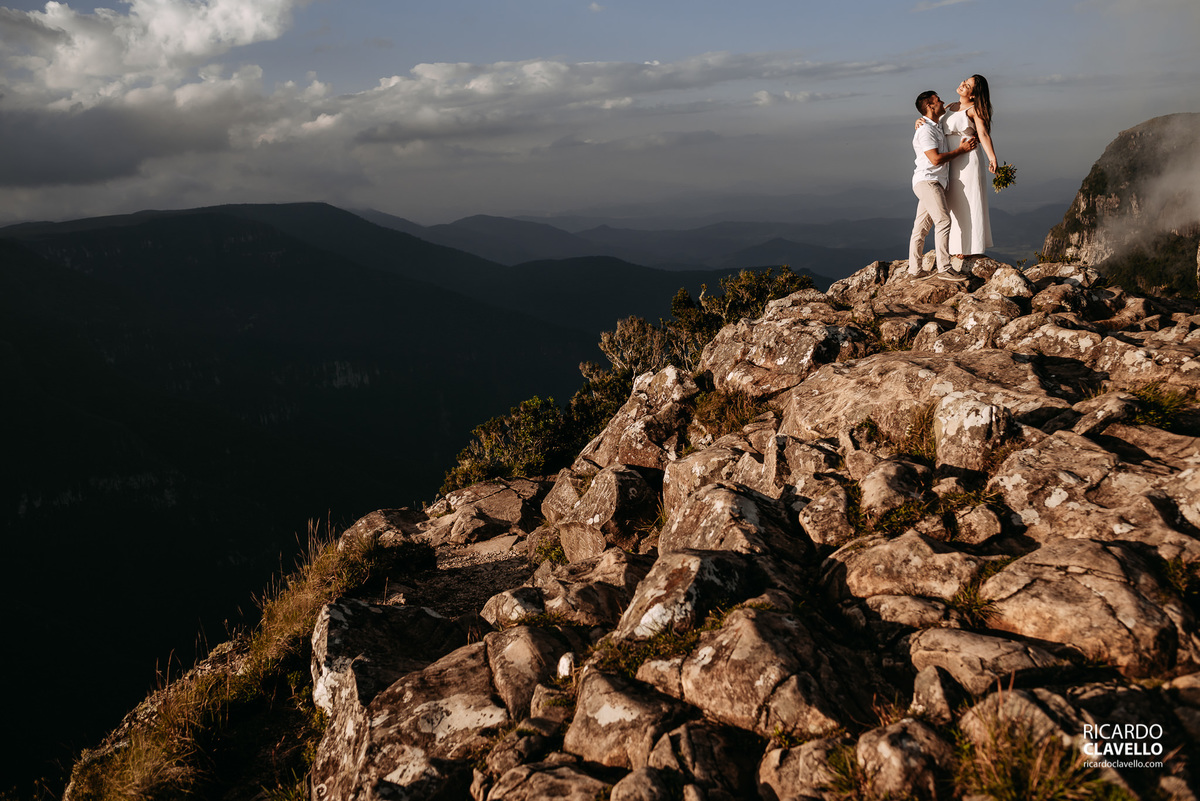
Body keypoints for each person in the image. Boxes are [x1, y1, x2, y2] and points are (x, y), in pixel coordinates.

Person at [908, 90, 976, 279]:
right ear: (930, 106)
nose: (942, 102)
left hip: (931, 181)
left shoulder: (935, 125)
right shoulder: (926, 130)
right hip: (929, 181)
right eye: (938, 101)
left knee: (920, 228)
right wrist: (961, 150)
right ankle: (945, 269)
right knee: (943, 221)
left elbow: (954, 108)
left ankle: (914, 271)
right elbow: (935, 159)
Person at [941, 74, 997, 257]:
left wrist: (992, 158)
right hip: (951, 160)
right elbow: (932, 123)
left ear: (973, 95)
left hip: (968, 161)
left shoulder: (974, 110)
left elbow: (983, 134)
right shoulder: (949, 106)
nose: (962, 84)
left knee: (968, 200)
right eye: (964, 81)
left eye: (967, 85)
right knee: (953, 202)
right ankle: (955, 246)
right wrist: (919, 122)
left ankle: (969, 248)